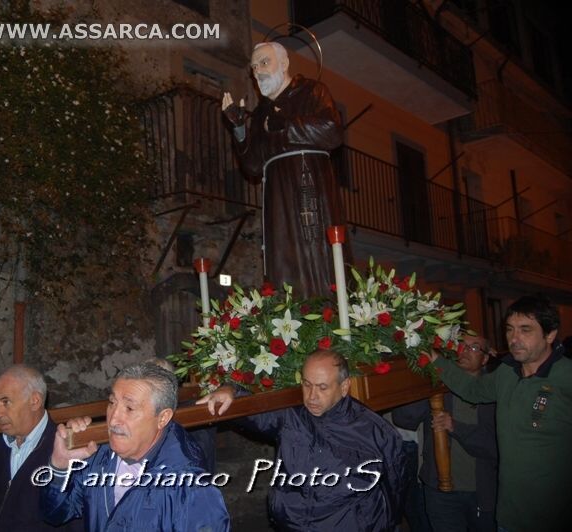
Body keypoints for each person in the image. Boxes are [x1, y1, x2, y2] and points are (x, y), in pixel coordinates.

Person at [198, 350, 406, 531]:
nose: (312, 396)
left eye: (323, 387)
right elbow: (251, 412)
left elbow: (394, 492)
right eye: (307, 385)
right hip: (294, 525)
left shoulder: (376, 431)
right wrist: (231, 390)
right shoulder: (291, 416)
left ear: (344, 387)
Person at [427, 295, 572, 532]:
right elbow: (472, 390)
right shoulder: (507, 372)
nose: (514, 339)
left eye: (525, 330)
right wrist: (434, 358)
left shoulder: (566, 377)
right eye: (510, 330)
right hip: (508, 516)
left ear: (550, 335)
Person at [39, 362, 230, 531]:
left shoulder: (190, 488)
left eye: (129, 409)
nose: (113, 419)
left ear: (162, 418)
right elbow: (55, 515)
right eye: (112, 403)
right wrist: (60, 467)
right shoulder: (98, 457)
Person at [222, 41, 346, 299]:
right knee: (282, 257)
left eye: (264, 62)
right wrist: (239, 129)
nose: (258, 72)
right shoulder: (259, 114)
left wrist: (286, 125)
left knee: (314, 252)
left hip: (308, 184)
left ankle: (325, 312)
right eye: (254, 68)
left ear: (285, 63)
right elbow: (253, 165)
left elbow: (332, 131)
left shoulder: (312, 91)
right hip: (276, 195)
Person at [393, 334, 498, 532]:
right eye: (461, 345)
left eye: (474, 347)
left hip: (481, 492)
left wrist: (454, 426)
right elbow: (404, 419)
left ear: (485, 359)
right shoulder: (439, 385)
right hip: (440, 493)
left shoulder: (492, 393)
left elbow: (494, 446)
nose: (465, 351)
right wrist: (418, 377)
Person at [0, 364, 79, 531]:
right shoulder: (5, 443)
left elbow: (73, 521)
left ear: (34, 401)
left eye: (5, 402)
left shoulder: (63, 449)